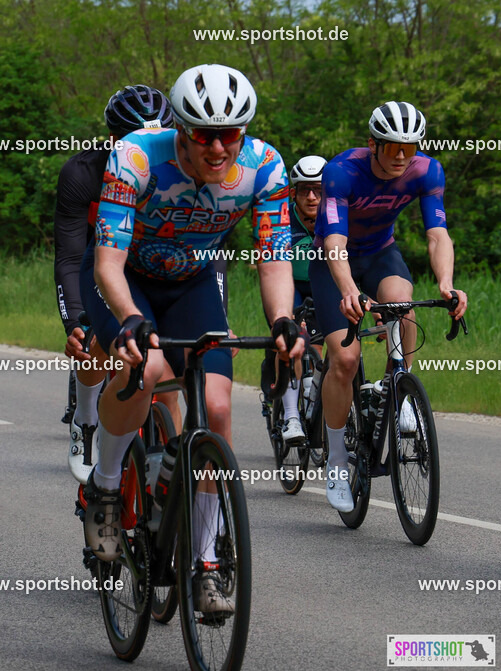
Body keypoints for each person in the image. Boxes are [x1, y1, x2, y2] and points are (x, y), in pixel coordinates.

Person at [85, 64, 303, 614]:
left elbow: (273, 255)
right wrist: (131, 317)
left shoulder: (265, 167)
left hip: (192, 282)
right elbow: (107, 261)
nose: (217, 147)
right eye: (204, 135)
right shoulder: (136, 157)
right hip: (127, 280)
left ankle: (205, 560)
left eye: (230, 134)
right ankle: (105, 487)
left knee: (218, 406)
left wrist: (282, 319)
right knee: (147, 370)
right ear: (180, 129)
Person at [311, 101, 467, 512]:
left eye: (409, 147)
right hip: (335, 262)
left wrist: (447, 284)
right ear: (373, 144)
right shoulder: (341, 172)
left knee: (402, 301)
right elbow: (334, 242)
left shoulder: (427, 170)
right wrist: (348, 289)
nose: (401, 155)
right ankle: (338, 462)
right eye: (392, 146)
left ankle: (400, 388)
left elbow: (438, 235)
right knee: (344, 360)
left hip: (380, 254)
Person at [53, 84, 176, 484]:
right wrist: (74, 319)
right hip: (100, 262)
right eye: (135, 139)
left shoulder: (183, 174)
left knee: (167, 371)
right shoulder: (82, 174)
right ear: (113, 140)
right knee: (96, 345)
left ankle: (169, 470)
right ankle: (85, 417)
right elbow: (71, 256)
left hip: (155, 263)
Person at [279, 155, 327, 445]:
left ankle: (315, 398)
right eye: (304, 190)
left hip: (320, 284)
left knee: (321, 349)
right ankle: (290, 416)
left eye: (319, 190)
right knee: (290, 341)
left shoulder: (337, 216)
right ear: (293, 193)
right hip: (289, 284)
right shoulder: (282, 217)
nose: (312, 197)